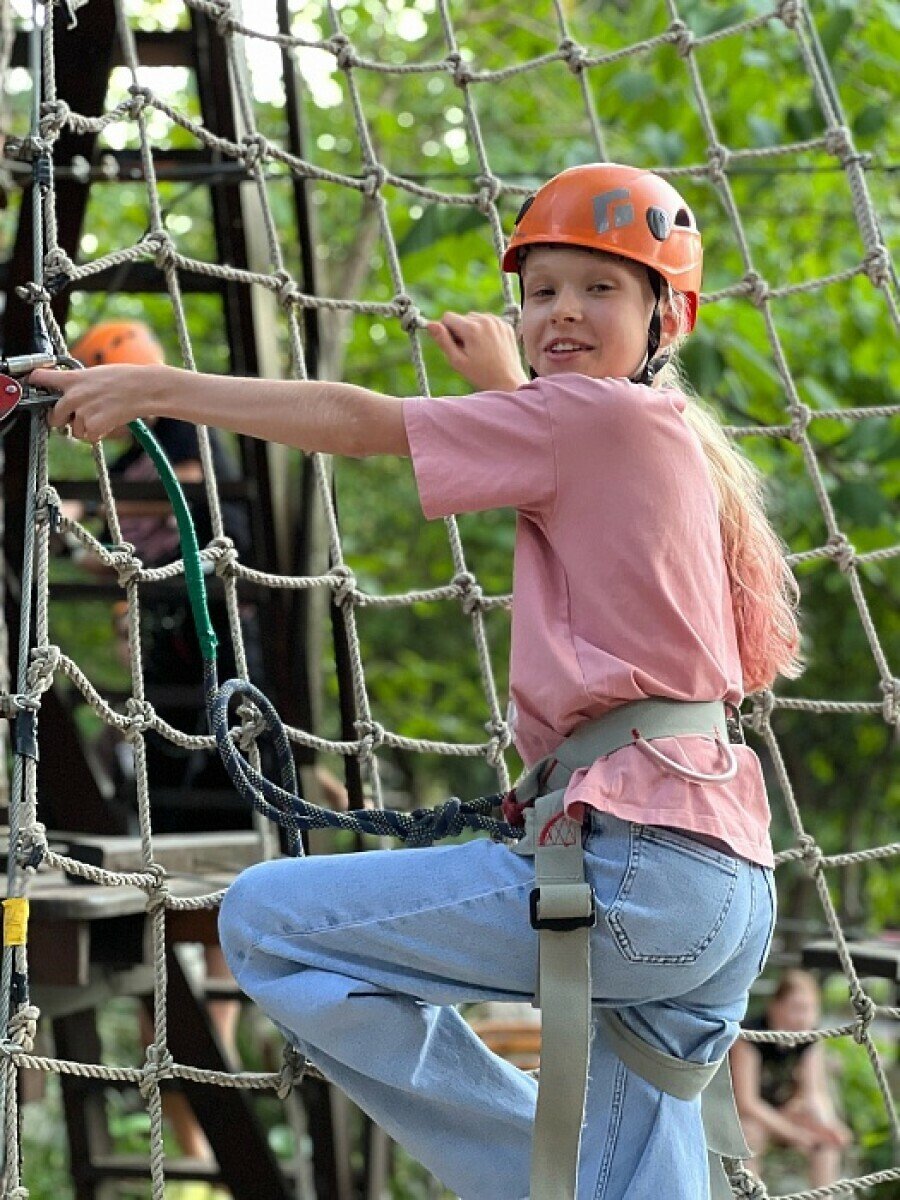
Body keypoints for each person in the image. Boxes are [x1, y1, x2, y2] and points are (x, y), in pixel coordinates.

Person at [37, 162, 801, 1200]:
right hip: (721, 890)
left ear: (670, 316)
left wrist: (156, 387)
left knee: (264, 922)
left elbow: (358, 422)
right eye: (542, 291)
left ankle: (559, 1177)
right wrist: (510, 388)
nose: (563, 311)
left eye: (601, 288)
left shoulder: (591, 420)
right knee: (647, 1179)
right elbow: (567, 472)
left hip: (640, 873)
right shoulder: (657, 442)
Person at [731, 970, 852, 1187]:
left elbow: (815, 1094)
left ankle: (824, 1195)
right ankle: (750, 1193)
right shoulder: (750, 1036)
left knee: (826, 1139)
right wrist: (794, 1134)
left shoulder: (810, 1038)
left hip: (785, 1111)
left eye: (810, 1009)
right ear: (775, 1006)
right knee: (748, 1137)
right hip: (751, 1117)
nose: (803, 1018)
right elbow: (746, 1103)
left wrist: (828, 1125)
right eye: (797, 1008)